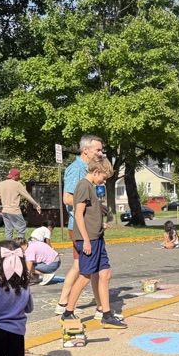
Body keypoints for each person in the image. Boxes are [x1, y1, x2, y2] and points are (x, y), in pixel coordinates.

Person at [61, 157, 127, 329]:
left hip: (98, 237)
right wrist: (87, 240)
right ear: (96, 172)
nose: (103, 181)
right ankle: (67, 312)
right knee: (85, 276)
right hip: (88, 239)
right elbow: (78, 214)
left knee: (105, 274)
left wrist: (100, 224)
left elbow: (90, 214)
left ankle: (106, 314)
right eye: (103, 178)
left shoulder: (91, 187)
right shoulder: (83, 186)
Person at [57, 135, 105, 317]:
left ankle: (100, 306)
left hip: (89, 226)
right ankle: (63, 304)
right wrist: (90, 206)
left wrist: (97, 206)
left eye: (101, 150)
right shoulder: (75, 169)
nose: (101, 153)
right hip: (78, 226)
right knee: (81, 267)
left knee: (89, 268)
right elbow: (67, 198)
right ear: (86, 150)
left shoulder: (89, 169)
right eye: (97, 150)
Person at [0, 168, 42, 241]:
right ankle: (20, 245)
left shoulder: (1, 184)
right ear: (15, 176)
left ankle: (8, 247)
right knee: (22, 227)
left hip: (5, 211)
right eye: (18, 175)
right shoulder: (17, 184)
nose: (19, 177)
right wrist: (37, 205)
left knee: (8, 230)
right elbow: (27, 196)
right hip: (14, 210)